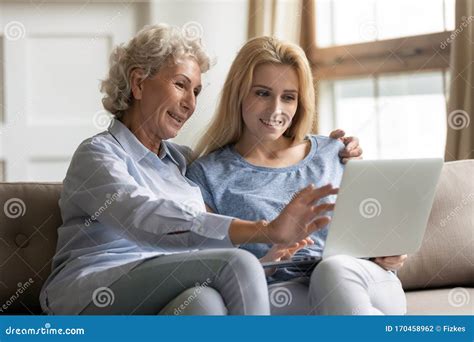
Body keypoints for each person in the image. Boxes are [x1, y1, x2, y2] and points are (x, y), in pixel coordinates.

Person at [39, 25, 360, 316]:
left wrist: (267, 262)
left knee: (205, 303)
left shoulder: (181, 162)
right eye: (180, 85)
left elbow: (204, 249)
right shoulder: (97, 154)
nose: (190, 104)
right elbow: (143, 217)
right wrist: (266, 230)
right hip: (95, 288)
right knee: (238, 263)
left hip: (165, 279)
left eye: (196, 92)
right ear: (138, 83)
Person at [187, 36, 407, 315]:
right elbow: (210, 271)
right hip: (281, 294)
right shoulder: (207, 175)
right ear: (239, 93)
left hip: (364, 282)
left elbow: (374, 230)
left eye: (288, 97)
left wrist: (388, 252)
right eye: (262, 93)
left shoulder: (334, 152)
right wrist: (267, 261)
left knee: (333, 270)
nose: (275, 110)